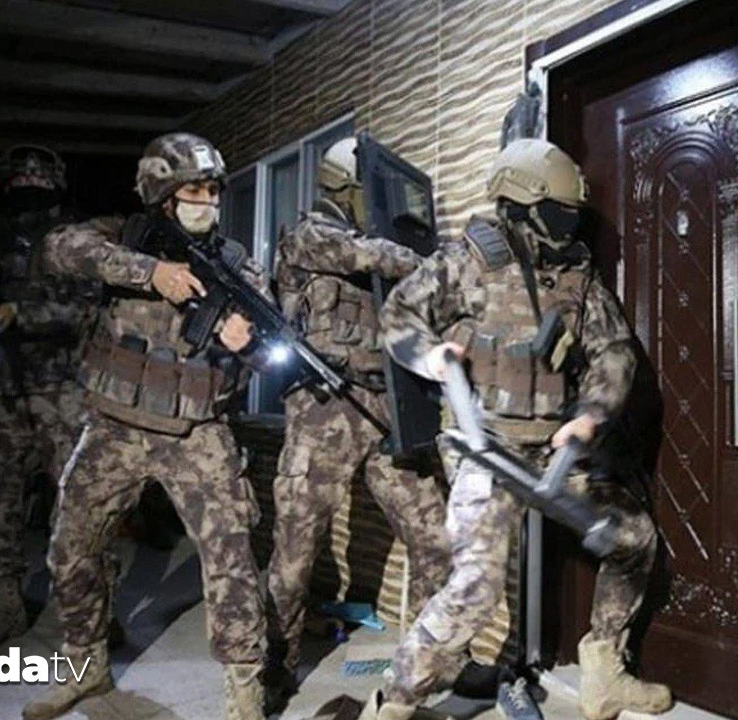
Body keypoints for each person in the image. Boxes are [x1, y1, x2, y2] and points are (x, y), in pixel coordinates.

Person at [371, 139, 673, 720]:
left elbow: (614, 352)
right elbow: (398, 314)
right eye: (558, 212)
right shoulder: (468, 262)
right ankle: (394, 702)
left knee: (634, 538)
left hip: (556, 452)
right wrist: (432, 357)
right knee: (475, 589)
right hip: (487, 450)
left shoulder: (577, 275)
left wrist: (591, 414)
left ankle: (604, 672)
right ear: (520, 205)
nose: (569, 224)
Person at [24, 133, 268, 720]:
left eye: (212, 191)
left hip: (196, 432)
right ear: (162, 194)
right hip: (115, 426)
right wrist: (150, 272)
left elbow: (269, 355)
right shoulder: (125, 237)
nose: (207, 202)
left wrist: (247, 342)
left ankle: (245, 690)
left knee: (231, 558)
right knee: (70, 548)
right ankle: (84, 667)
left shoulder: (238, 268)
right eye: (193, 190)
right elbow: (58, 248)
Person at [266, 137, 450, 687]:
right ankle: (273, 664)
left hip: (384, 408)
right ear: (345, 189)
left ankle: (424, 664)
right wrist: (431, 263)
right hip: (323, 411)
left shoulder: (374, 248)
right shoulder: (310, 236)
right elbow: (369, 256)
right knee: (296, 550)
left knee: (434, 537)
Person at [0, 145, 100, 654]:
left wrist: (22, 314)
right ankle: (5, 602)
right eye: (20, 181)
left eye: (36, 181)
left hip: (62, 390)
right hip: (8, 389)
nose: (28, 188)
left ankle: (89, 610)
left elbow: (86, 309)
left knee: (79, 505)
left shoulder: (73, 238)